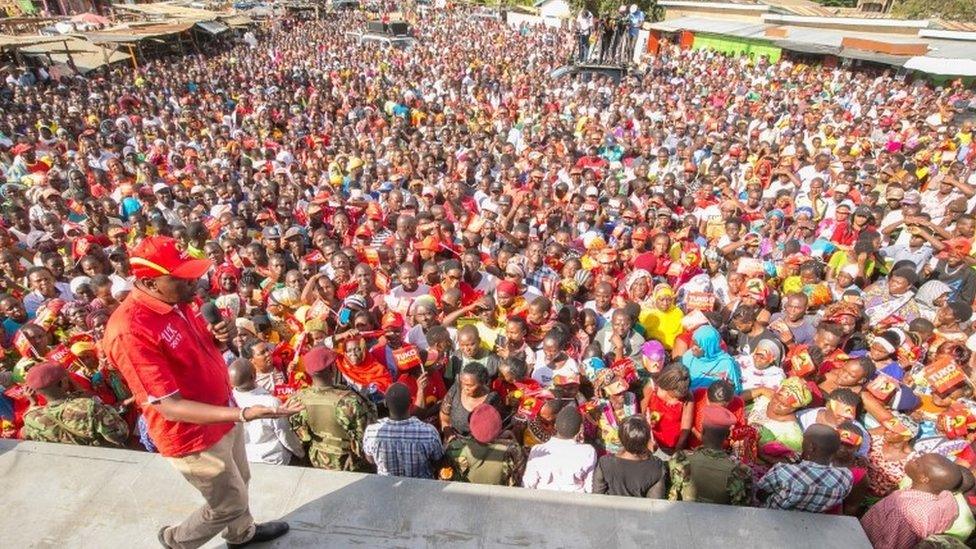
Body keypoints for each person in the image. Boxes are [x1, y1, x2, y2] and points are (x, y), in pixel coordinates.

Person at [103, 236, 298, 548]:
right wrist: (245, 413)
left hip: (222, 413)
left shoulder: (176, 300)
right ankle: (177, 541)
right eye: (182, 278)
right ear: (150, 283)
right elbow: (170, 406)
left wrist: (217, 340)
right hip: (192, 436)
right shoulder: (130, 330)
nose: (194, 283)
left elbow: (192, 352)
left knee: (239, 482)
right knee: (228, 503)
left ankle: (241, 534)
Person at [286, 346, 376, 471]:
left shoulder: (297, 399)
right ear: (331, 369)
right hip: (349, 464)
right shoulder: (349, 401)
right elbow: (365, 436)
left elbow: (298, 435)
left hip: (316, 460)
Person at [861, 454, 964, 549]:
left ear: (923, 478)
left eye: (916, 463)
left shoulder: (904, 513)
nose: (911, 460)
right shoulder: (946, 497)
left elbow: (890, 545)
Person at [21, 362, 129, 448]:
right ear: (64, 382)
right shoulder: (88, 407)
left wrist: (33, 403)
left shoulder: (31, 418)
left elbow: (28, 437)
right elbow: (120, 435)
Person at [756, 424, 853, 512]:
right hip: (811, 523)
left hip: (772, 518)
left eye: (804, 440)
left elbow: (759, 493)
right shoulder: (845, 477)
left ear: (811, 447)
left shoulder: (783, 471)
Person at [668, 404, 752, 505]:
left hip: (684, 516)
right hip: (719, 519)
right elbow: (742, 507)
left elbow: (674, 486)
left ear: (702, 431)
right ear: (727, 435)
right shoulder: (741, 471)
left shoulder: (681, 458)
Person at [229, 358, 305, 465]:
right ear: (253, 376)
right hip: (274, 459)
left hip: (246, 459)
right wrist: (300, 453)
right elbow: (284, 434)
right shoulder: (270, 402)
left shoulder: (228, 402)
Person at [362, 383, 443, 478]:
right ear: (411, 402)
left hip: (386, 488)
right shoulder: (428, 432)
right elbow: (438, 461)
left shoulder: (372, 432)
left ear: (385, 404)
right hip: (421, 489)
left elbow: (370, 460)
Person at [442, 404, 526, 486]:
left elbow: (444, 477)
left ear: (471, 425)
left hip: (462, 496)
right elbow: (520, 479)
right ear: (499, 426)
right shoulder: (512, 450)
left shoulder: (455, 448)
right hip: (497, 497)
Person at [523, 405, 596, 493]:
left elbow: (528, 484)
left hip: (542, 501)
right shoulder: (588, 451)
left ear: (555, 426)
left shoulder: (537, 450)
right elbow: (589, 487)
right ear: (579, 430)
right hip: (575, 503)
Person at [592, 415, 668, 498]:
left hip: (610, 509)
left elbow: (597, 495)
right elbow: (654, 503)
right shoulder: (657, 467)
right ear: (647, 440)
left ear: (620, 439)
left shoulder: (605, 462)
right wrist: (653, 452)